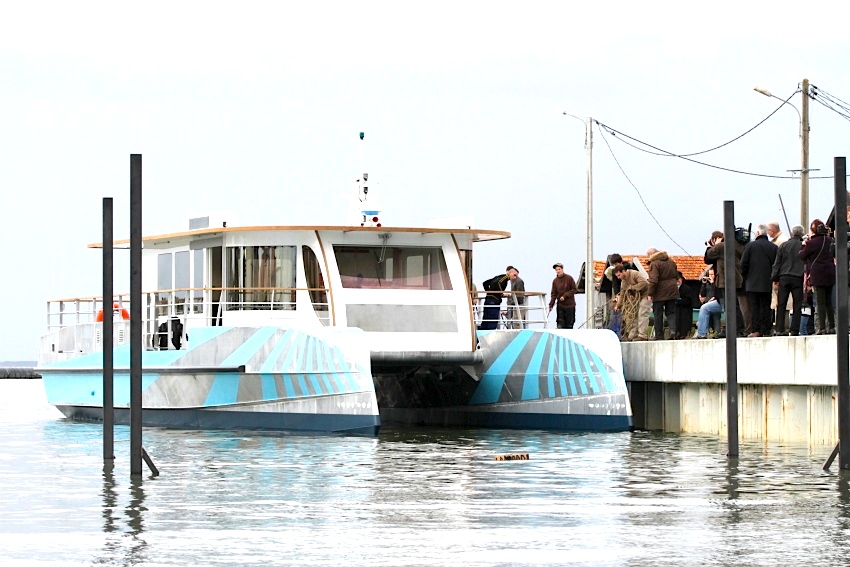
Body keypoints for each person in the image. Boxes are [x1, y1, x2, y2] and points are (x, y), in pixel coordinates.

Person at [705, 230, 745, 337]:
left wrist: (714, 245)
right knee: (736, 305)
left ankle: (731, 329)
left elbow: (708, 256)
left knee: (729, 306)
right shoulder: (739, 245)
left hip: (725, 280)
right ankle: (739, 328)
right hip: (737, 279)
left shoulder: (722, 246)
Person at [798, 219, 836, 334]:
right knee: (829, 301)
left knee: (820, 302)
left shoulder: (811, 243)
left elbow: (802, 255)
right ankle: (832, 326)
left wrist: (803, 245)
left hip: (818, 274)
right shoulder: (831, 240)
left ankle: (822, 327)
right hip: (830, 272)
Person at [741, 224, 778, 337]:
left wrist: (745, 276)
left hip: (752, 282)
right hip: (767, 282)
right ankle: (766, 330)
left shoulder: (750, 246)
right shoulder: (773, 247)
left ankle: (756, 330)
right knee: (766, 306)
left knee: (754, 307)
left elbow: (743, 264)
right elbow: (776, 264)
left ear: (757, 233)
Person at [771, 225, 805, 335]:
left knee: (781, 304)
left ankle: (779, 329)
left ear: (791, 233)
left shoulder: (783, 245)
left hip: (784, 277)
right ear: (802, 234)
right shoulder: (803, 246)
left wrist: (775, 278)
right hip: (798, 277)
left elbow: (777, 263)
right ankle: (794, 329)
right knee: (797, 305)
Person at [646, 247, 679, 340]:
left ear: (651, 254)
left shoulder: (654, 264)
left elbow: (654, 280)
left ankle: (659, 335)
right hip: (672, 290)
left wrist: (650, 293)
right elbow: (676, 275)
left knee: (658, 313)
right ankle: (673, 331)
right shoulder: (671, 262)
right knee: (671, 312)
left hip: (660, 292)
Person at [613, 263, 650, 341]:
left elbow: (644, 283)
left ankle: (642, 335)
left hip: (646, 294)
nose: (618, 277)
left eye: (619, 275)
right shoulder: (623, 282)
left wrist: (632, 288)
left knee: (642, 313)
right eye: (617, 276)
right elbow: (622, 294)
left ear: (623, 271)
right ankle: (633, 335)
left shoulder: (634, 274)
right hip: (636, 299)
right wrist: (618, 305)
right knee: (632, 314)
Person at [548, 263, 578, 329]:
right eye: (556, 270)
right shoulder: (555, 281)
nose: (558, 271)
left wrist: (565, 296)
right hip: (560, 305)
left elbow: (574, 290)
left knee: (569, 324)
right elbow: (554, 294)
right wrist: (551, 305)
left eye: (559, 269)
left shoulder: (569, 278)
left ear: (562, 269)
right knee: (560, 324)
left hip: (570, 305)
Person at [673, 271, 693, 339]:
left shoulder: (686, 288)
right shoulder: (673, 289)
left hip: (685, 312)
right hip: (676, 311)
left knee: (684, 327)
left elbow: (689, 300)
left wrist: (678, 301)